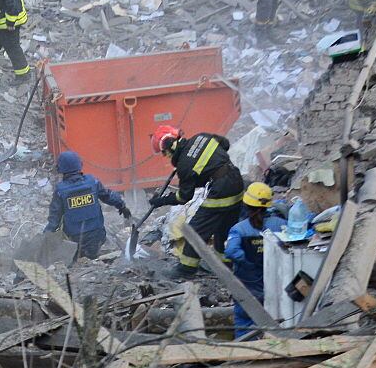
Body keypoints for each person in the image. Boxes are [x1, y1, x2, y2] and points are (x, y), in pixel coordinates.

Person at [149, 126, 245, 279]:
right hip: (236, 181)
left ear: (169, 146)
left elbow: (184, 197)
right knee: (222, 229)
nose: (166, 156)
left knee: (195, 230)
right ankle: (226, 266)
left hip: (222, 190)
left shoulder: (184, 165)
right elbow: (225, 143)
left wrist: (162, 200)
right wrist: (210, 167)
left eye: (164, 153)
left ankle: (186, 270)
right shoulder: (202, 137)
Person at [44, 151, 130, 260]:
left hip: (75, 241)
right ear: (80, 164)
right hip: (97, 238)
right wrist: (122, 206)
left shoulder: (60, 191)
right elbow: (108, 196)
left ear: (60, 169)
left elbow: (54, 220)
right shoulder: (92, 182)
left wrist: (45, 237)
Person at [225, 183, 286, 338]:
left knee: (244, 324)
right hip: (276, 285)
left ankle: (245, 354)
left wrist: (246, 263)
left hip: (248, 286)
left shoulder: (239, 229)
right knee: (276, 323)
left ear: (246, 204)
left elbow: (231, 251)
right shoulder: (280, 224)